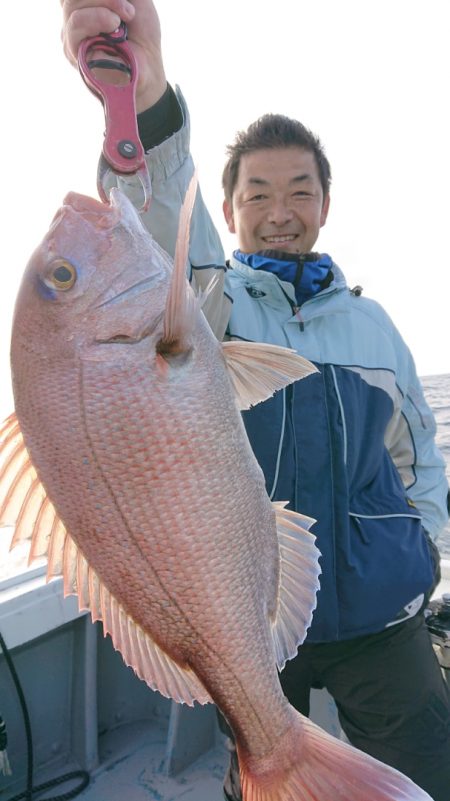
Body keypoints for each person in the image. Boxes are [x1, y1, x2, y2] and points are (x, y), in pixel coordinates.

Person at [61, 2, 450, 799]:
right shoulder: (213, 308)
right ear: (229, 211)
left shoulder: (376, 327)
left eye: (300, 190)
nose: (281, 210)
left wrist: (424, 550)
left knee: (428, 773)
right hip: (253, 616)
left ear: (325, 205)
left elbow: (419, 455)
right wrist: (147, 95)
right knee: (263, 778)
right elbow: (160, 215)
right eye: (258, 193)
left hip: (383, 620)